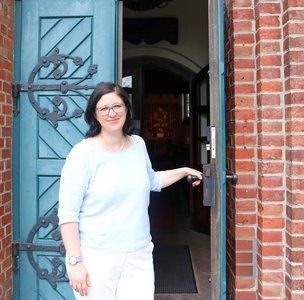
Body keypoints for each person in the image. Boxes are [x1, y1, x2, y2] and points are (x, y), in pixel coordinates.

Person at [58, 82, 202, 300]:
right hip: (97, 256)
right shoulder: (82, 154)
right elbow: (68, 215)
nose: (112, 113)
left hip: (139, 254)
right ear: (94, 114)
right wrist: (75, 261)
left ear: (126, 109)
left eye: (117, 106)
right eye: (104, 108)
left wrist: (184, 170)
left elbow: (152, 180)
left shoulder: (138, 144)